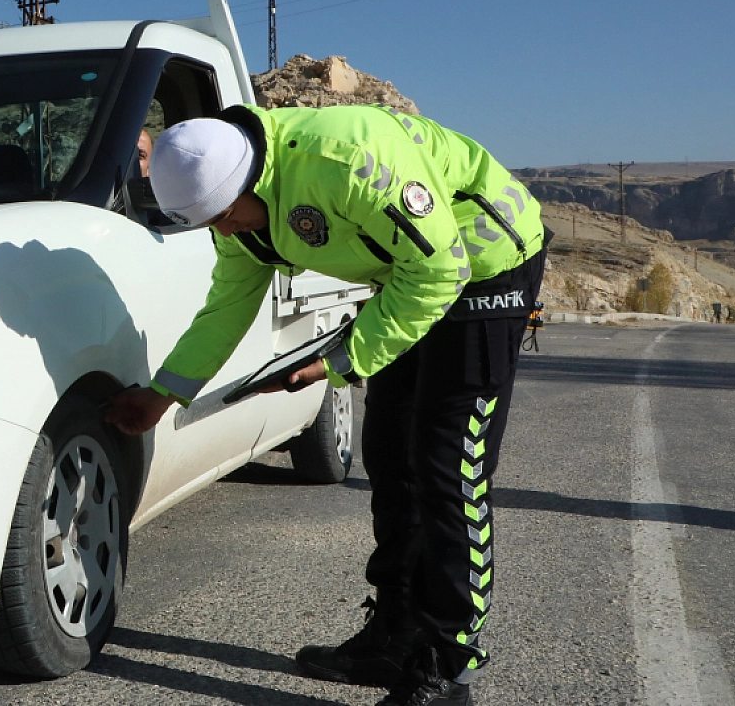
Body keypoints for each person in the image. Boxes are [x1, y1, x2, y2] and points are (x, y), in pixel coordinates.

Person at [104, 103, 546, 706]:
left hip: (485, 264)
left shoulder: (346, 164)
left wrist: (343, 361)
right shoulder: (230, 204)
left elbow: (444, 267)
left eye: (227, 218)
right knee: (390, 457)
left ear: (249, 181)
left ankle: (447, 666)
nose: (226, 232)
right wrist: (164, 394)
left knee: (448, 468)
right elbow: (228, 305)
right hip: (408, 275)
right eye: (215, 224)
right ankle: (395, 634)